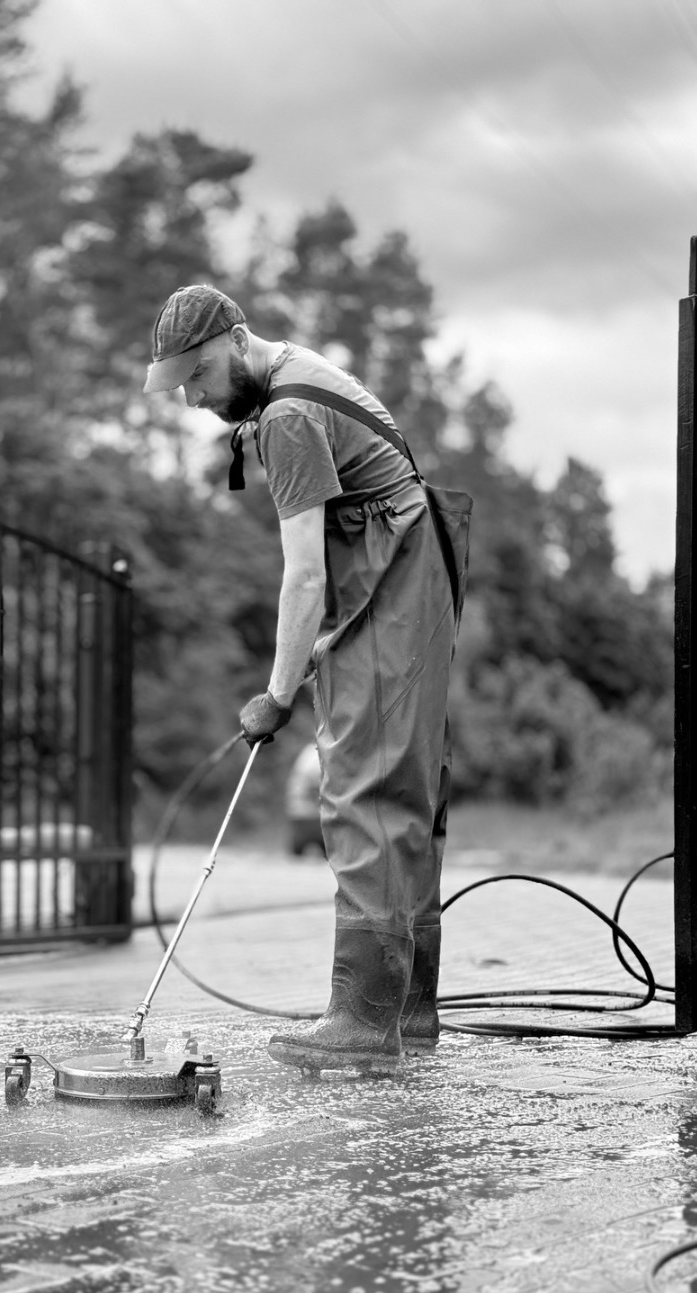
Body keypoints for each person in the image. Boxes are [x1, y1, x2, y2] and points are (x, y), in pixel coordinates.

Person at [143, 283, 464, 1065]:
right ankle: (406, 1016)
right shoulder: (292, 376)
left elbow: (304, 578)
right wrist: (325, 644)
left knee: (364, 784)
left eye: (202, 373)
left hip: (394, 573)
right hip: (401, 568)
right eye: (183, 382)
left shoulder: (285, 415)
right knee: (402, 788)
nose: (195, 395)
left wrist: (277, 695)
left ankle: (363, 1022)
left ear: (237, 340)